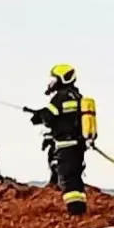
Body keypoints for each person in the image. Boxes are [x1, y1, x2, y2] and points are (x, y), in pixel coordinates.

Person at [28, 64, 87, 215]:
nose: (52, 82)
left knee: (67, 179)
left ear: (63, 79)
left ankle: (75, 213)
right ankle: (80, 211)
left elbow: (49, 116)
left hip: (65, 145)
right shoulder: (77, 96)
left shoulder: (60, 97)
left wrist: (38, 116)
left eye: (55, 79)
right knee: (76, 179)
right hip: (78, 146)